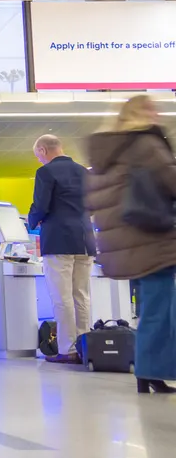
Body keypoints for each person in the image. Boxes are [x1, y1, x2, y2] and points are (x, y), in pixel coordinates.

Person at [86, 95, 176, 394]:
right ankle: (151, 369)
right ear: (141, 113)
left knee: (153, 305)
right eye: (152, 108)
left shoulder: (109, 151)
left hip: (130, 241)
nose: (158, 113)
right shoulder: (145, 143)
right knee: (159, 308)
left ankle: (150, 370)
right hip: (153, 237)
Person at [27, 133, 96, 360]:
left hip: (58, 241)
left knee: (62, 297)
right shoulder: (84, 172)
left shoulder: (45, 172)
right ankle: (85, 347)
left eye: (38, 156)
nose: (39, 161)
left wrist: (31, 220)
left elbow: (41, 206)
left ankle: (68, 349)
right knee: (81, 295)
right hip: (85, 240)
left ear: (44, 151)